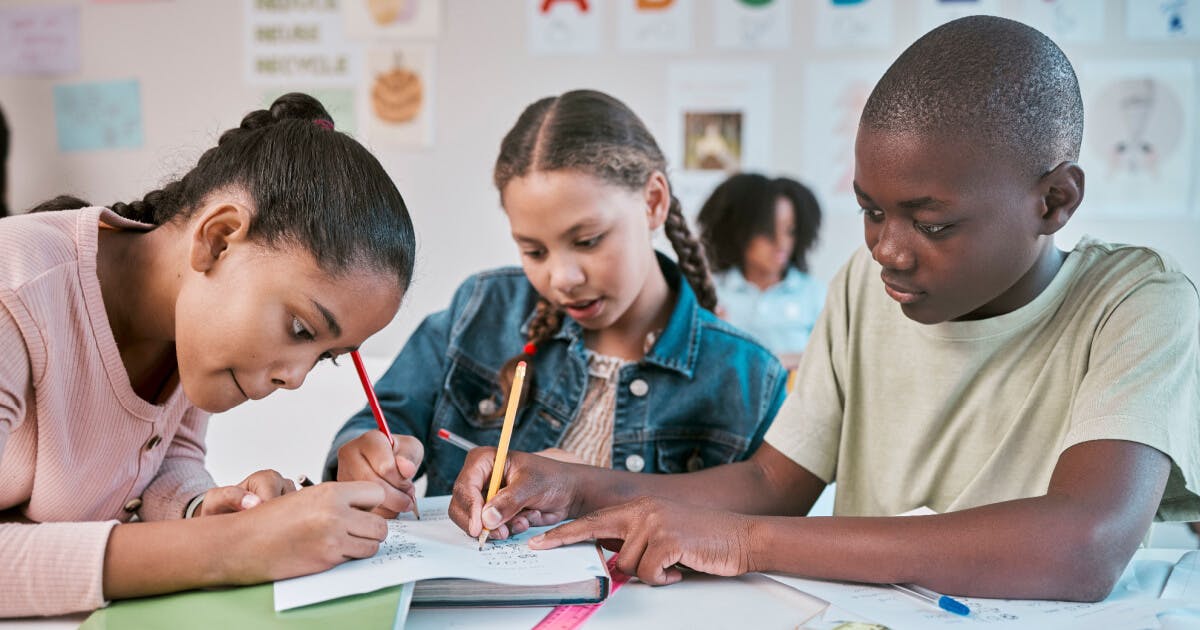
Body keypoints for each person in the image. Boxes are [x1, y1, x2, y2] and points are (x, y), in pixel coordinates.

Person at [446, 17, 1200, 601]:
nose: (890, 251)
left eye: (931, 224)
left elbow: (1084, 543)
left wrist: (746, 543)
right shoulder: (863, 288)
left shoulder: (1135, 303)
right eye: (872, 212)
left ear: (1055, 200)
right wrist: (577, 484)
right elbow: (773, 484)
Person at [0, 93, 416, 616]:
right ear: (218, 240)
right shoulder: (14, 287)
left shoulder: (189, 325)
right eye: (299, 327)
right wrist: (236, 546)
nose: (296, 378)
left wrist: (207, 509)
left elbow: (164, 461)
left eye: (326, 357)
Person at [325, 90, 786, 524]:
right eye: (534, 251)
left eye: (587, 241)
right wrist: (363, 453)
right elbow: (379, 420)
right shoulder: (481, 311)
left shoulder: (746, 377)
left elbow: (755, 537)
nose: (562, 278)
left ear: (653, 202)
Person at [698, 173, 824, 366]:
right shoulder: (711, 291)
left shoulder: (814, 294)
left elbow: (833, 360)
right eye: (767, 232)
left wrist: (763, 363)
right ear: (740, 232)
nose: (781, 244)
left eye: (790, 231)